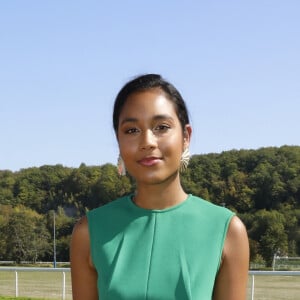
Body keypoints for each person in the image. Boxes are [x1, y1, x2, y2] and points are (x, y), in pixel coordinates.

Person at [70, 74, 249, 300]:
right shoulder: (89, 232)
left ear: (186, 136)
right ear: (118, 140)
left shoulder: (227, 231)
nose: (147, 142)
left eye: (161, 127)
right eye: (132, 130)